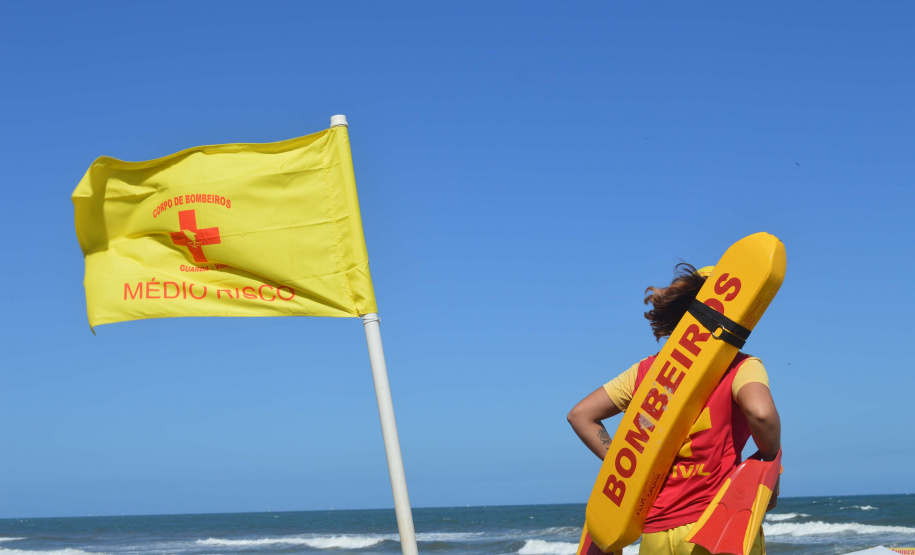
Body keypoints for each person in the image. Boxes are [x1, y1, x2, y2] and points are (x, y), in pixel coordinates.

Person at [568, 263, 781, 555]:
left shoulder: (645, 372)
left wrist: (627, 465)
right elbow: (762, 414)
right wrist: (771, 467)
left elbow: (580, 415)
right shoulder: (741, 366)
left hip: (655, 534)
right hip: (715, 527)